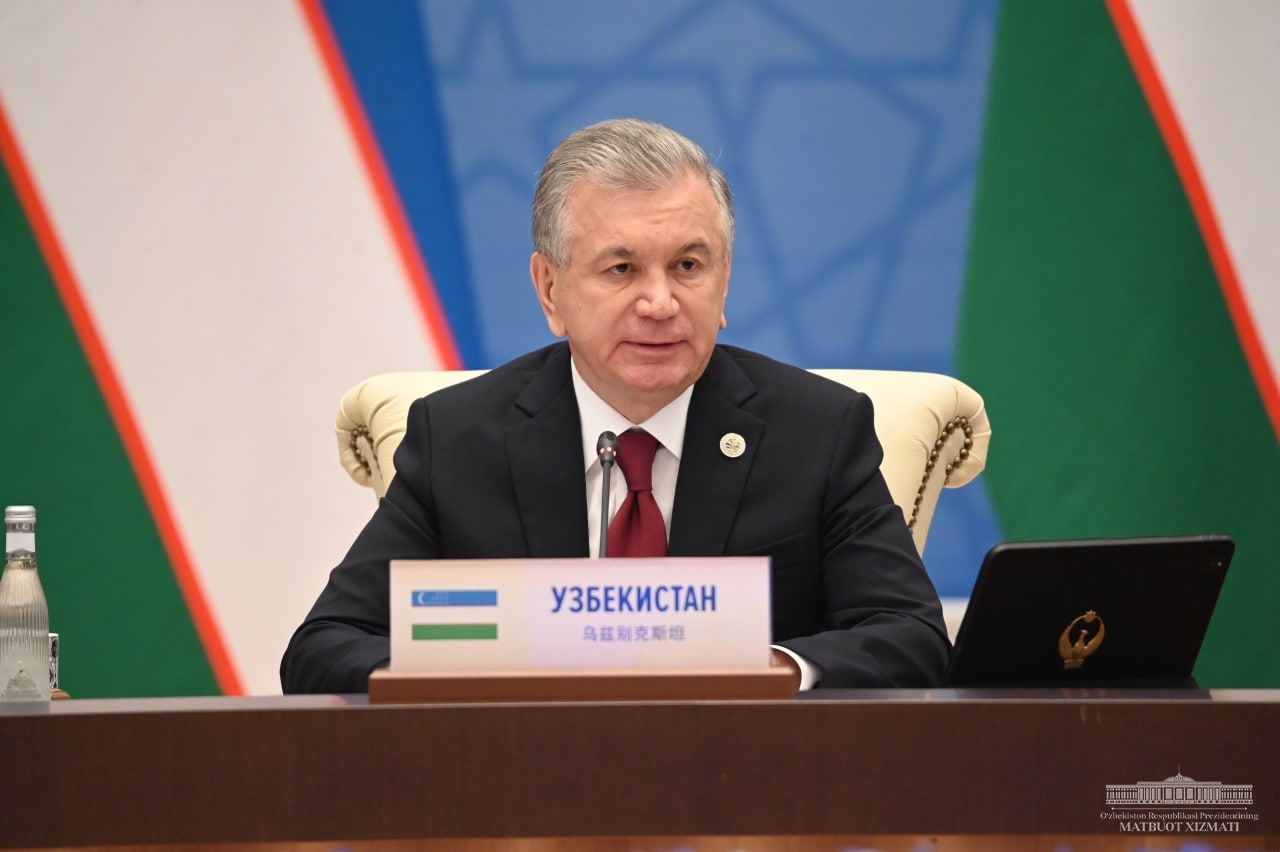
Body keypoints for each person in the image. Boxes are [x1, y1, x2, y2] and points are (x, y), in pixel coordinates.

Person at [281, 118, 950, 694]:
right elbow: (325, 648)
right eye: (621, 269)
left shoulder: (817, 430)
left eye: (689, 266)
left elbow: (912, 638)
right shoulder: (459, 437)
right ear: (550, 291)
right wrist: (499, 665)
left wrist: (769, 669)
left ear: (724, 282)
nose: (660, 304)